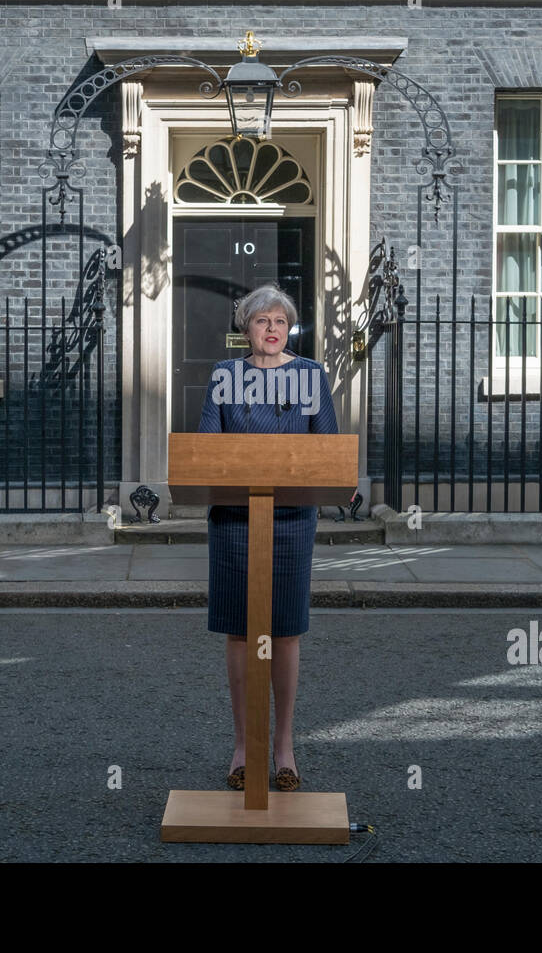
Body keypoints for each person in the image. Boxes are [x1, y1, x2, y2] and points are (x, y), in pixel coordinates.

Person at [196, 283, 338, 792]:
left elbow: (327, 450)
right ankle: (241, 745)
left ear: (289, 329)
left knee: (285, 630)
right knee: (239, 629)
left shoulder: (310, 376)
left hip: (292, 520)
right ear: (246, 329)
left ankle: (284, 747)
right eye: (262, 321)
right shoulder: (224, 376)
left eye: (280, 321)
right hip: (236, 519)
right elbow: (207, 449)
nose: (272, 329)